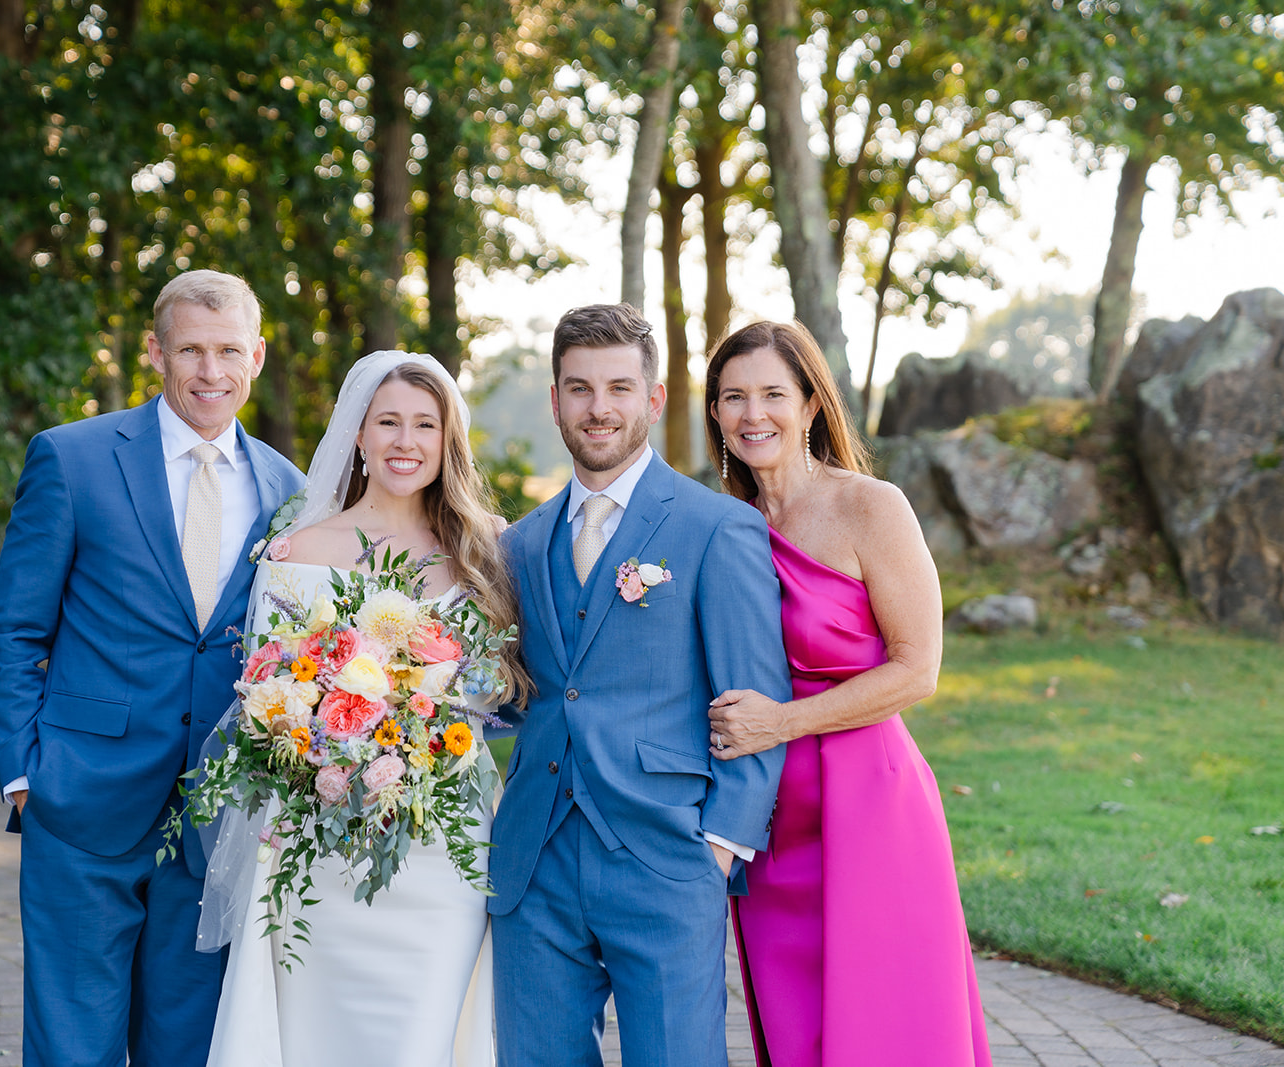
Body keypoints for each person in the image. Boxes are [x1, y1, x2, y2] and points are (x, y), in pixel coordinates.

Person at [0, 270, 305, 1066]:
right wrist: (24, 773)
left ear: (256, 357)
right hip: (81, 802)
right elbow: (13, 630)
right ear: (156, 351)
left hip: (217, 816)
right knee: (71, 1046)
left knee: (186, 1046)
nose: (210, 371)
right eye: (190, 349)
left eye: (229, 350)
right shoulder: (72, 458)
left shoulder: (290, 492)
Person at [203, 350, 527, 1067]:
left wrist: (417, 712)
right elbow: (269, 698)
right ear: (357, 433)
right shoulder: (295, 553)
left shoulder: (486, 553)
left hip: (445, 840)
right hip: (318, 839)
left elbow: (502, 686)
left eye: (424, 425)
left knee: (426, 1032)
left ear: (448, 441)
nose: (405, 442)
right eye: (388, 422)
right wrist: (335, 738)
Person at [489, 304, 790, 1067]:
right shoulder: (519, 543)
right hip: (536, 857)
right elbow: (516, 692)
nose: (600, 408)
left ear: (652, 400)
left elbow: (755, 704)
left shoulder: (716, 527)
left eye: (620, 387)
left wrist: (717, 847)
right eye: (580, 388)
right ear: (556, 399)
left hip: (666, 854)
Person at [703, 319, 993, 1067]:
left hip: (872, 805)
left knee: (890, 1026)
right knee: (795, 1025)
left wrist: (783, 721)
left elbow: (917, 667)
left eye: (773, 393)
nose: (752, 413)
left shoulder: (872, 506)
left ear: (810, 405)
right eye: (733, 396)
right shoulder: (720, 526)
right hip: (764, 816)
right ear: (714, 414)